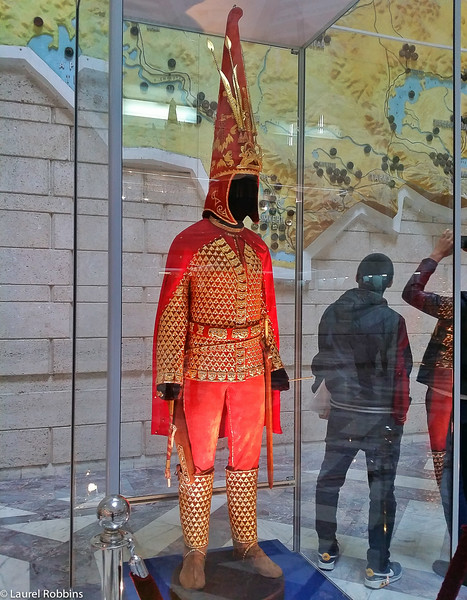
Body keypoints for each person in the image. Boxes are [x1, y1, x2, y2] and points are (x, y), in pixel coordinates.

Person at [151, 7, 289, 591]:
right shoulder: (188, 241)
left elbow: (266, 312)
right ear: (221, 186)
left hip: (250, 369)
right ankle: (196, 551)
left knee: (244, 460)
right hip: (203, 363)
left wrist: (275, 361)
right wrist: (168, 373)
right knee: (199, 459)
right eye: (244, 184)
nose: (253, 193)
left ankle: (247, 541)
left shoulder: (256, 248)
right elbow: (171, 314)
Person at [311, 253, 412, 589]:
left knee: (328, 480)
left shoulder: (330, 313)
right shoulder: (392, 320)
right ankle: (377, 567)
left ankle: (325, 552)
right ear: (389, 282)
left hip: (342, 414)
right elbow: (400, 373)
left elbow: (321, 363)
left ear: (357, 277)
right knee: (381, 491)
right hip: (379, 419)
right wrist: (399, 415)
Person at [402, 230, 454, 487]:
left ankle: (455, 515)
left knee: (441, 452)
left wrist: (436, 255)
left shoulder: (457, 307)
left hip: (446, 384)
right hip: (446, 384)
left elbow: (411, 292)